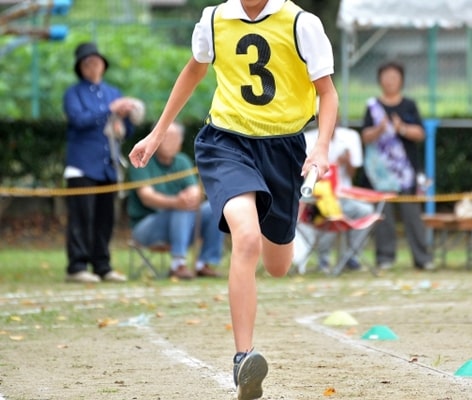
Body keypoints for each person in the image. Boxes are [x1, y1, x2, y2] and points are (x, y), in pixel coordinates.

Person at [127, 1, 338, 399]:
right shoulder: (214, 19)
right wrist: (157, 133)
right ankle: (244, 359)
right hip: (227, 142)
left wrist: (321, 147)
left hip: (284, 148)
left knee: (277, 265)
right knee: (246, 237)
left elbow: (326, 92)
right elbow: (194, 70)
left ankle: (274, 242)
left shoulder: (301, 23)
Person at [63, 42, 138, 284]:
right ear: (80, 68)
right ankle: (77, 266)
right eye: (87, 63)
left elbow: (125, 131)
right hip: (82, 164)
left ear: (103, 65)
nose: (93, 66)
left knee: (106, 218)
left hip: (108, 165)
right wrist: (109, 109)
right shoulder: (73, 93)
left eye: (96, 61)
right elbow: (78, 120)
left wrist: (126, 118)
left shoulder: (113, 92)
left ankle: (102, 265)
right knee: (81, 217)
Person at [360, 61, 434, 271]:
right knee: (384, 216)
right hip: (380, 174)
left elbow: (420, 133)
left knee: (413, 216)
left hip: (406, 173)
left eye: (394, 77)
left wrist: (401, 128)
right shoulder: (373, 106)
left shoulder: (409, 105)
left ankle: (422, 258)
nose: (390, 81)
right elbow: (365, 136)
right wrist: (379, 129)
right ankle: (385, 257)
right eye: (386, 76)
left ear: (401, 80)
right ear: (380, 80)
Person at [127, 121, 224, 280]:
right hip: (146, 226)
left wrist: (190, 198)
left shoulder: (182, 161)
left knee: (214, 207)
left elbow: (194, 190)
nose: (170, 142)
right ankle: (178, 264)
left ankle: (204, 263)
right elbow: (147, 197)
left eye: (174, 138)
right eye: (166, 137)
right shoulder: (143, 160)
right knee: (181, 208)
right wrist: (176, 202)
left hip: (183, 223)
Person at [303, 119, 374, 272]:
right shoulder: (308, 139)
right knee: (330, 211)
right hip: (318, 198)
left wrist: (347, 162)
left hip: (343, 196)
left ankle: (351, 257)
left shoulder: (349, 138)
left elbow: (352, 174)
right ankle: (324, 259)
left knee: (366, 211)